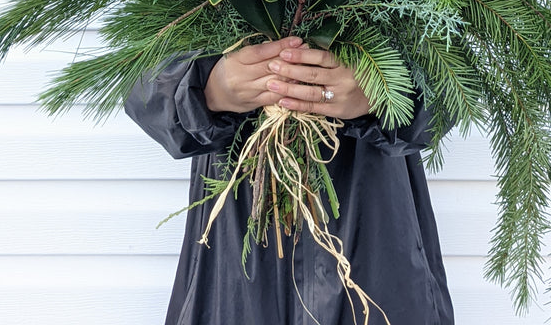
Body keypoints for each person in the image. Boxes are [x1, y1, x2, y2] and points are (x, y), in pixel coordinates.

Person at [125, 35, 455, 325]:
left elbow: (454, 80)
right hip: (235, 251)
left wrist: (384, 90)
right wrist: (208, 87)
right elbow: (136, 77)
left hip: (375, 240)